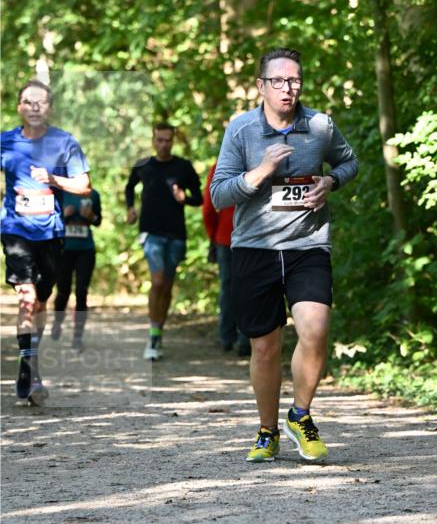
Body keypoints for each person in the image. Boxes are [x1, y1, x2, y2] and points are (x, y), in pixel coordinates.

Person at [210, 47, 358, 463]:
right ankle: (267, 431)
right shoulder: (241, 130)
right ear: (261, 86)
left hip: (307, 245)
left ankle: (300, 415)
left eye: (294, 80)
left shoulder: (320, 125)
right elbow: (219, 194)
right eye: (278, 81)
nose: (288, 88)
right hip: (255, 248)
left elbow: (350, 162)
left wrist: (330, 182)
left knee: (315, 329)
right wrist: (259, 172)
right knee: (265, 347)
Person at [1, 79, 91, 405]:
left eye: (41, 102)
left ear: (49, 108)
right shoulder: (5, 141)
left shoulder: (64, 142)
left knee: (40, 301)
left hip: (51, 233)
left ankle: (30, 358)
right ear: (19, 107)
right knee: (26, 297)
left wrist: (53, 179)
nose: (34, 107)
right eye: (28, 101)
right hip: (15, 229)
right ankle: (31, 372)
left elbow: (84, 185)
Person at [125, 123, 202, 361]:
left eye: (168, 140)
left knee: (167, 286)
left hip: (176, 234)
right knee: (157, 281)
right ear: (153, 140)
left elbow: (199, 198)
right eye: (159, 140)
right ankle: (152, 334)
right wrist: (130, 208)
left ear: (173, 141)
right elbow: (129, 187)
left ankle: (158, 333)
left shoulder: (183, 167)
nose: (164, 144)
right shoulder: (143, 165)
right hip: (150, 232)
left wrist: (184, 198)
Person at [202, 162, 251, 357]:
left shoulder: (219, 167)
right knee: (249, 287)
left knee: (227, 287)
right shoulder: (260, 163)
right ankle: (245, 339)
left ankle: (226, 337)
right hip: (254, 237)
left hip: (225, 236)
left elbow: (208, 208)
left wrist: (213, 236)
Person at [51, 188, 102, 350]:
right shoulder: (60, 193)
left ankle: (77, 337)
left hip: (86, 250)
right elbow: (49, 221)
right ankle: (58, 321)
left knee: (81, 292)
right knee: (63, 291)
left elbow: (98, 221)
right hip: (64, 250)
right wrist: (63, 216)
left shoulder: (93, 195)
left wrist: (91, 216)